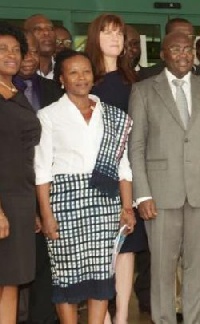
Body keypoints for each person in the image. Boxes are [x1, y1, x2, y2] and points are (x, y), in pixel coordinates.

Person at [128, 31, 200, 324]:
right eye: (176, 49)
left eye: (188, 49)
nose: (183, 55)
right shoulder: (144, 91)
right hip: (161, 196)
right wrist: (143, 194)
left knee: (198, 266)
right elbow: (135, 147)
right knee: (162, 267)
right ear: (163, 54)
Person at [35, 49, 136, 324]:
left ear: (94, 76)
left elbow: (123, 167)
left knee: (102, 274)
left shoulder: (112, 115)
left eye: (86, 71)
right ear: (61, 79)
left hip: (106, 202)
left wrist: (127, 207)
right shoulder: (48, 116)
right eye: (73, 72)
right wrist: (46, 215)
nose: (81, 78)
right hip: (65, 202)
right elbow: (42, 169)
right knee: (66, 275)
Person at [82, 14, 141, 324]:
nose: (115, 39)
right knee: (98, 249)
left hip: (128, 174)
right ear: (96, 37)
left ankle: (121, 316)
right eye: (107, 33)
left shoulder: (134, 81)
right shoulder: (85, 78)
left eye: (119, 33)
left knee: (125, 246)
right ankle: (101, 316)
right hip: (93, 175)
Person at [12, 30, 62, 324]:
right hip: (14, 187)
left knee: (45, 261)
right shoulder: (7, 91)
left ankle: (43, 318)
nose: (28, 57)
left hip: (47, 187)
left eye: (32, 52)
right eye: (23, 51)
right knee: (14, 267)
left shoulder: (52, 88)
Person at [0, 22, 41, 324]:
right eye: (2, 49)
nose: (11, 55)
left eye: (16, 49)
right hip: (3, 201)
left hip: (22, 200)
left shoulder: (16, 91)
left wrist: (34, 209)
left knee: (12, 278)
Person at [23, 14, 56, 79]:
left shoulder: (63, 69)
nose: (46, 33)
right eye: (38, 29)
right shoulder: (17, 71)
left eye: (50, 29)